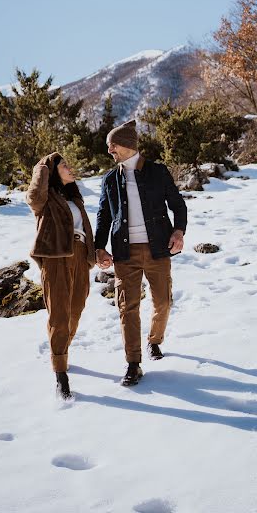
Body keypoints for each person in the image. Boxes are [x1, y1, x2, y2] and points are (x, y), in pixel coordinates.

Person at [95, 120, 187, 386]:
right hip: (124, 253)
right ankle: (133, 363)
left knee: (163, 302)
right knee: (127, 307)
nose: (109, 150)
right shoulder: (110, 179)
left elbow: (178, 205)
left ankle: (155, 340)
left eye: (112, 145)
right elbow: (103, 216)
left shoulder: (157, 172)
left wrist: (178, 232)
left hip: (158, 248)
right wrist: (99, 247)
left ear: (126, 145)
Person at [26, 152, 95, 400]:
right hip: (55, 258)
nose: (70, 168)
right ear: (53, 172)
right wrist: (44, 166)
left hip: (79, 255)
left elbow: (84, 229)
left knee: (76, 309)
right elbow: (32, 197)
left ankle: (61, 351)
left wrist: (94, 253)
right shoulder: (45, 199)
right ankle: (60, 373)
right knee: (59, 314)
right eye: (64, 165)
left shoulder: (74, 198)